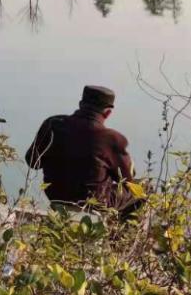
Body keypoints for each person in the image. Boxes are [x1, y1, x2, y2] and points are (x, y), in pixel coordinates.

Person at [26, 85, 141, 214]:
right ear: (108, 113)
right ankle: (118, 233)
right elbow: (127, 179)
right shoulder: (111, 139)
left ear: (80, 104)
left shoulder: (52, 124)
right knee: (141, 188)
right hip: (94, 204)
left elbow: (32, 161)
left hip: (56, 197)